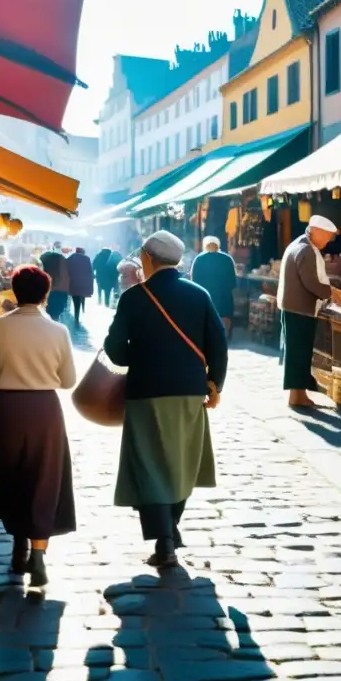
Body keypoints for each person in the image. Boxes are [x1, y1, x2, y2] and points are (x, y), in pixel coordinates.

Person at [104, 230, 228, 568]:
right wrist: (215, 383)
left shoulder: (134, 298)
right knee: (181, 462)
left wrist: (142, 354)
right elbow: (218, 343)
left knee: (151, 464)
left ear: (147, 258)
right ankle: (171, 527)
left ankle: (166, 541)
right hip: (189, 390)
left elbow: (115, 351)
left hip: (146, 391)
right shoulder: (199, 294)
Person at [0, 265, 77, 587]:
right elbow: (68, 381)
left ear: (15, 292)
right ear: (46, 293)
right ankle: (39, 555)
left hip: (6, 411)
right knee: (45, 477)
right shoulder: (58, 331)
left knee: (10, 475)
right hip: (44, 410)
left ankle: (17, 547)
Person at [278, 215, 341, 408]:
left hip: (295, 308)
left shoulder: (301, 244)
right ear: (317, 231)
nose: (329, 241)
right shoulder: (306, 249)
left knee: (298, 353)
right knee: (298, 353)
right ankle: (297, 397)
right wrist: (330, 292)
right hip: (299, 309)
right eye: (328, 236)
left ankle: (298, 395)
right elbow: (311, 282)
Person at [190, 236, 237, 338]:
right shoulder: (227, 259)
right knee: (223, 333)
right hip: (224, 302)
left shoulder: (199, 259)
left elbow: (193, 282)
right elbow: (233, 283)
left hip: (204, 301)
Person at [39, 242, 70, 321]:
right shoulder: (62, 259)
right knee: (56, 314)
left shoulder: (43, 258)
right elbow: (66, 276)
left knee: (47, 312)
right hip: (60, 290)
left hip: (47, 290)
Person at [66, 246, 94, 326]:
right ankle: (81, 311)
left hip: (73, 283)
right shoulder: (87, 259)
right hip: (83, 283)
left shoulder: (70, 258)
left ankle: (76, 316)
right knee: (82, 296)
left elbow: (66, 269)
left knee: (75, 300)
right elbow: (90, 272)